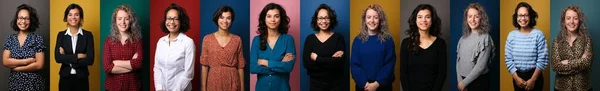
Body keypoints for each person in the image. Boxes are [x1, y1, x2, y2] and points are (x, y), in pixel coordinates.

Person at [249, 3, 296, 91]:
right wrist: (280, 64)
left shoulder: (288, 40)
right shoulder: (256, 40)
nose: (273, 20)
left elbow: (288, 67)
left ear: (281, 19)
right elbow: (253, 68)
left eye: (276, 16)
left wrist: (265, 62)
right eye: (269, 16)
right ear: (264, 18)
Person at [400, 4, 447, 91]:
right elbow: (403, 73)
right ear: (415, 20)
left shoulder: (440, 44)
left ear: (432, 20)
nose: (424, 20)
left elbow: (442, 73)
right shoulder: (406, 43)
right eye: (420, 17)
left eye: (427, 17)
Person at [351, 4, 395, 91]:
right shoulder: (357, 40)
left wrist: (376, 84)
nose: (372, 20)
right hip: (363, 87)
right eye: (369, 17)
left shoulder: (388, 40)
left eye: (375, 17)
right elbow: (354, 65)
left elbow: (389, 64)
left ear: (380, 20)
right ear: (365, 19)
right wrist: (365, 84)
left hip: (383, 86)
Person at [505, 2, 548, 91]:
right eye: (520, 15)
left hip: (535, 77)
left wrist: (533, 80)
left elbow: (542, 60)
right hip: (517, 77)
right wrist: (516, 78)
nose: (523, 18)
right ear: (516, 17)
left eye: (526, 15)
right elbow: (508, 59)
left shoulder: (538, 35)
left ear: (530, 16)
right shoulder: (511, 35)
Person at [200, 5, 245, 91]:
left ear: (231, 21)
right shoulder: (207, 39)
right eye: (222, 17)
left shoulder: (237, 39)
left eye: (228, 18)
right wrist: (203, 88)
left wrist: (242, 89)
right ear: (217, 19)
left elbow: (240, 66)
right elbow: (204, 65)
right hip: (213, 81)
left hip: (232, 81)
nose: (225, 21)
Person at [302, 3, 346, 91]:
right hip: (315, 85)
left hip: (336, 85)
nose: (324, 21)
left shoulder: (338, 38)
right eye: (320, 18)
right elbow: (307, 64)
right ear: (316, 20)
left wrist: (317, 58)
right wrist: (330, 60)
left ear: (331, 19)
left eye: (327, 18)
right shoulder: (310, 39)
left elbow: (339, 63)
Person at [2, 4, 46, 91]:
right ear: (16, 19)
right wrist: (26, 61)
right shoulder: (10, 39)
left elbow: (39, 64)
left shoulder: (37, 39)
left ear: (31, 20)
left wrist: (18, 68)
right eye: (20, 18)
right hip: (15, 84)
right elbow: (5, 61)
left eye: (27, 18)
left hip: (34, 84)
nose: (23, 21)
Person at [153, 3, 195, 91]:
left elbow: (188, 73)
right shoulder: (161, 42)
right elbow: (157, 68)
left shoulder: (188, 42)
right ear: (165, 20)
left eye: (175, 19)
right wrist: (159, 88)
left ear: (181, 21)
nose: (171, 22)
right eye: (169, 18)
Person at [551, 5, 593, 91]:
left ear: (579, 21)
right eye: (568, 18)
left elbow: (587, 64)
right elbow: (555, 66)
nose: (572, 21)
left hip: (583, 87)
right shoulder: (557, 40)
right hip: (561, 88)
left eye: (575, 18)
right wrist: (580, 61)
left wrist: (567, 62)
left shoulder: (587, 39)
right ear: (564, 21)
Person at [102, 5, 143, 91]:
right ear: (115, 21)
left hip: (133, 87)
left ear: (131, 21)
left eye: (126, 19)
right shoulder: (108, 41)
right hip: (112, 87)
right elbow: (107, 67)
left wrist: (116, 62)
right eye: (119, 18)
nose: (123, 22)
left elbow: (138, 64)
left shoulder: (138, 41)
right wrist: (131, 65)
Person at [55, 3, 95, 91]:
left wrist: (66, 57)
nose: (73, 17)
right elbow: (58, 58)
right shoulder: (61, 35)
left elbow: (90, 60)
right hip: (65, 78)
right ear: (66, 17)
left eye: (76, 14)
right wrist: (79, 56)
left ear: (80, 17)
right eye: (70, 14)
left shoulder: (88, 35)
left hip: (82, 78)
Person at [456, 3, 495, 91]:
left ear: (481, 18)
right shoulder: (462, 39)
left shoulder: (485, 38)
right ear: (466, 19)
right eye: (470, 16)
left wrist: (464, 83)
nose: (472, 20)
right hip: (462, 82)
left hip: (479, 83)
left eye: (476, 16)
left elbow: (480, 66)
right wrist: (460, 81)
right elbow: (458, 61)